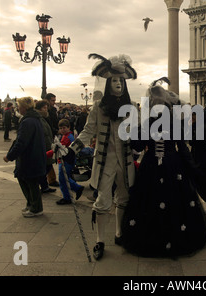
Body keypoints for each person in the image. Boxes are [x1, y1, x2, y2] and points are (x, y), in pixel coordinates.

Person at [121, 80, 206, 258]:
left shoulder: (146, 123)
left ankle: (153, 236)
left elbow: (137, 146)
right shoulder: (174, 121)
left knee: (149, 200)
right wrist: (193, 167)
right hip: (172, 163)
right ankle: (175, 235)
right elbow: (183, 148)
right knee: (175, 200)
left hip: (152, 163)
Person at [68, 54, 138, 261]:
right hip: (104, 161)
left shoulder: (131, 107)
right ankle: (100, 240)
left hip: (125, 162)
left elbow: (139, 132)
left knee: (124, 199)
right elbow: (88, 131)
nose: (118, 84)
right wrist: (72, 148)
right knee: (102, 200)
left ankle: (119, 233)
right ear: (108, 84)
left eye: (120, 81)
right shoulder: (98, 107)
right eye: (114, 81)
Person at [3, 97, 46, 218]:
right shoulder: (34, 119)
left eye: (19, 106)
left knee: (30, 181)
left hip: (29, 156)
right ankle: (31, 204)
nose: (18, 108)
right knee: (26, 179)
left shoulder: (27, 121)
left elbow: (21, 142)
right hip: (34, 155)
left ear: (24, 108)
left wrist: (10, 156)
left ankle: (36, 208)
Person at [48, 119, 84, 205]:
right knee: (65, 178)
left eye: (64, 128)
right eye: (60, 128)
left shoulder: (68, 137)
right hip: (65, 161)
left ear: (69, 127)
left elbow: (59, 150)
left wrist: (46, 154)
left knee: (62, 179)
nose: (62, 130)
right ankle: (77, 188)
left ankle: (67, 197)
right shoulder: (67, 136)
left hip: (66, 161)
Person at [35, 100, 56, 194]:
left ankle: (44, 186)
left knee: (47, 166)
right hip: (44, 147)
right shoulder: (38, 119)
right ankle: (40, 185)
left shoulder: (43, 118)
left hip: (48, 146)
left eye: (46, 108)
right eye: (44, 108)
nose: (46, 110)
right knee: (46, 166)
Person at [44, 93, 60, 187]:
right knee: (48, 158)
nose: (54, 102)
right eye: (52, 100)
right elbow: (49, 124)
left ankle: (50, 179)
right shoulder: (48, 111)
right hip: (49, 135)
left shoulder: (53, 110)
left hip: (53, 135)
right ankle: (50, 179)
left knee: (50, 158)